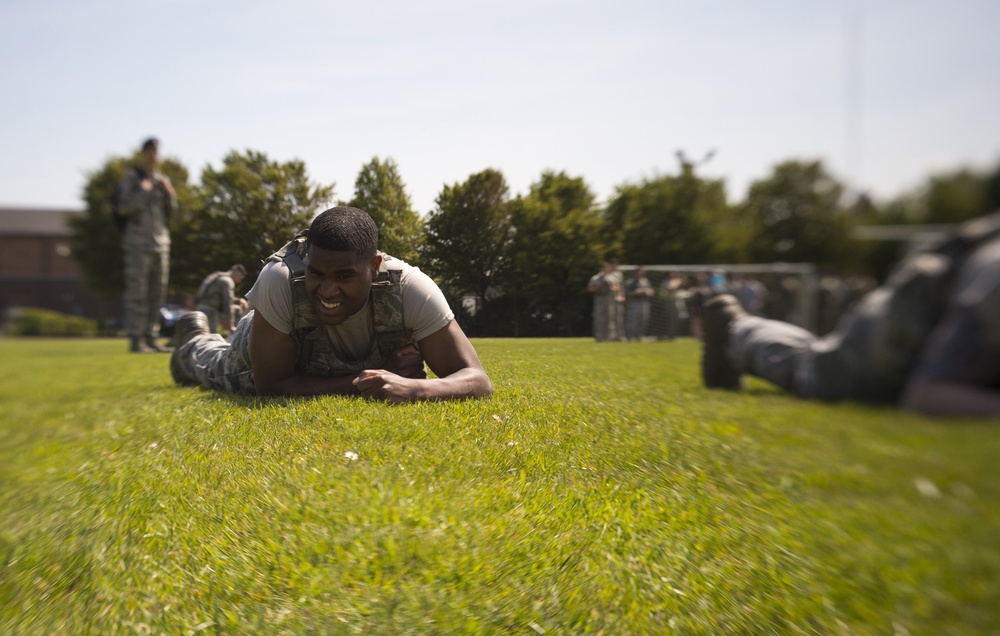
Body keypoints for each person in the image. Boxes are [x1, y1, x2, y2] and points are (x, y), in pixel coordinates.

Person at [169, 206, 493, 403]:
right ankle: (194, 340)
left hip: (313, 370)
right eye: (316, 273)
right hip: (264, 336)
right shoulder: (278, 280)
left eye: (343, 276)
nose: (327, 290)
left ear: (375, 266)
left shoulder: (411, 288)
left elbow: (477, 379)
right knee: (213, 369)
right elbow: (272, 387)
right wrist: (370, 381)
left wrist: (414, 389)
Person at [702, 211, 1000, 417]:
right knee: (817, 372)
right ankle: (732, 330)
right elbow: (928, 393)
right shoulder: (993, 274)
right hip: (902, 332)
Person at [116, 137, 176, 353]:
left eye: (156, 151)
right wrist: (143, 190)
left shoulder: (161, 179)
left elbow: (171, 212)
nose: (154, 155)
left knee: (157, 292)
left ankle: (151, 337)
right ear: (143, 153)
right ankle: (135, 339)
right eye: (150, 151)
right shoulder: (133, 177)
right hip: (138, 243)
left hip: (160, 242)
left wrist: (170, 194)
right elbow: (123, 208)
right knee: (137, 292)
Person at [195, 264, 248, 334]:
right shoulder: (228, 282)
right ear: (236, 273)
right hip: (210, 313)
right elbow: (228, 303)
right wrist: (230, 323)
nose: (239, 281)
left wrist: (238, 301)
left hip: (201, 308)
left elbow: (218, 298)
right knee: (211, 336)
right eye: (240, 278)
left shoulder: (221, 278)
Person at [587, 258, 624, 342]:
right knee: (599, 319)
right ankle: (599, 337)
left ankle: (609, 337)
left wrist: (611, 286)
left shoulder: (613, 278)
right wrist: (597, 287)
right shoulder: (595, 278)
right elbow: (589, 289)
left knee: (610, 319)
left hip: (610, 299)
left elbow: (618, 288)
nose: (606, 269)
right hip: (599, 299)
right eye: (604, 267)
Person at [624, 266, 654, 341]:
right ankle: (629, 337)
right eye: (640, 271)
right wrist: (637, 292)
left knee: (643, 320)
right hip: (634, 303)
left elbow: (651, 291)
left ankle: (639, 337)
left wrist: (648, 291)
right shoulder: (630, 282)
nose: (642, 273)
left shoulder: (645, 281)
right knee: (633, 321)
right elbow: (627, 293)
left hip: (644, 303)